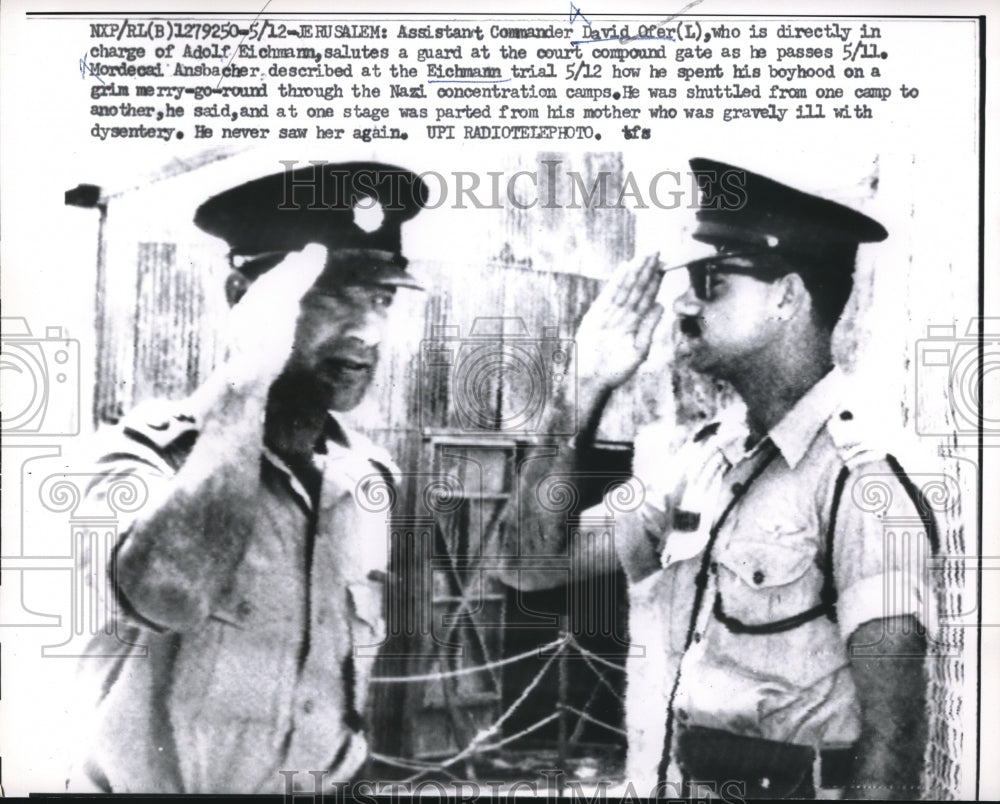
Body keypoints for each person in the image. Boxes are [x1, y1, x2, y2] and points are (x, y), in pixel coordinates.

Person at [489, 158, 937, 799]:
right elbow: (528, 564)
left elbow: (894, 739)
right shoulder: (699, 464)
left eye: (712, 280)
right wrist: (580, 389)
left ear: (786, 298)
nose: (684, 303)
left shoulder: (861, 484)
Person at [67, 162, 428, 794]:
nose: (368, 330)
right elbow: (169, 597)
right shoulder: (135, 460)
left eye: (380, 299)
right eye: (330, 295)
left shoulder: (368, 478)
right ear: (243, 295)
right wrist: (250, 374)